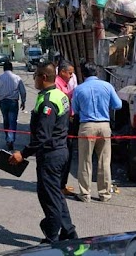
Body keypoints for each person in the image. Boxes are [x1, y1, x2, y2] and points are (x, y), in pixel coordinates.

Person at [8, 62, 78, 243]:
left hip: (51, 155)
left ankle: (51, 236)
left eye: (35, 76)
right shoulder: (59, 95)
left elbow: (43, 136)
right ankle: (69, 233)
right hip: (60, 151)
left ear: (44, 77)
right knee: (55, 195)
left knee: (49, 197)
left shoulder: (48, 102)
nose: (34, 80)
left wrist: (22, 154)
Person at [72, 63, 122, 202]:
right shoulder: (107, 86)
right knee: (104, 161)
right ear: (97, 72)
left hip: (87, 126)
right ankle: (105, 194)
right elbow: (118, 105)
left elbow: (75, 110)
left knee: (85, 161)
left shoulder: (79, 89)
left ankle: (85, 194)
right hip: (104, 126)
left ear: (83, 74)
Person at [0, 61, 26, 151]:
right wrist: (23, 101)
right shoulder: (17, 78)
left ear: (3, 68)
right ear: (12, 68)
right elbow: (23, 91)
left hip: (3, 102)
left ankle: (8, 138)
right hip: (13, 102)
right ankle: (10, 139)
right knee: (12, 121)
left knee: (6, 120)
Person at [55, 60, 77, 196]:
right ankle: (59, 186)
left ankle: (61, 184)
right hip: (62, 124)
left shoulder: (64, 84)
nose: (71, 76)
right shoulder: (58, 85)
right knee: (64, 155)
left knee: (67, 154)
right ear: (62, 72)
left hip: (67, 122)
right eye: (70, 73)